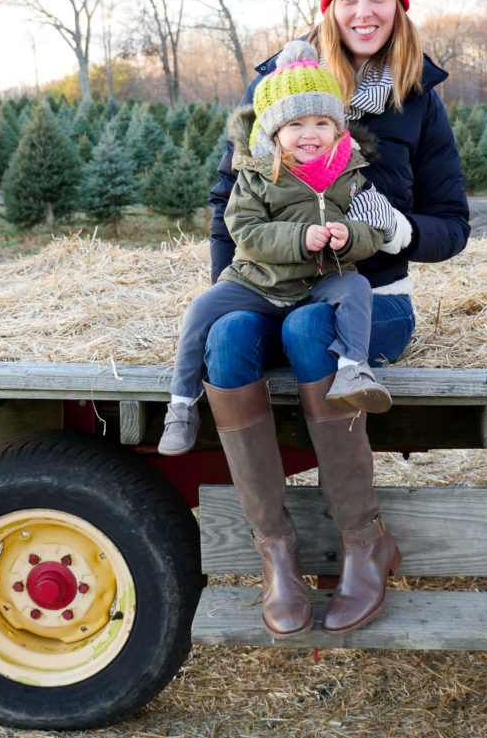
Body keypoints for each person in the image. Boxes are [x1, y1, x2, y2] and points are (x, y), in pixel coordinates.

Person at [201, 0, 470, 639]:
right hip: (274, 287)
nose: (363, 11)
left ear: (399, 7)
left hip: (370, 303)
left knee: (309, 328)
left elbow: (454, 223)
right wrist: (231, 289)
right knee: (228, 339)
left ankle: (362, 541)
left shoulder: (416, 101)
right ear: (328, 8)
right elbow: (227, 199)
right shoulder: (279, 86)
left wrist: (400, 231)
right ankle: (277, 552)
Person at [158, 39, 401, 459]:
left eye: (323, 123)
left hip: (319, 281)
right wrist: (298, 238)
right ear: (274, 131)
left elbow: (374, 231)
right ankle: (180, 405)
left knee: (357, 290)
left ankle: (352, 370)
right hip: (257, 281)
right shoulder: (256, 175)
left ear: (339, 128)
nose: (310, 134)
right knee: (201, 310)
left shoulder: (351, 172)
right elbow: (245, 231)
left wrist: (349, 236)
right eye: (296, 125)